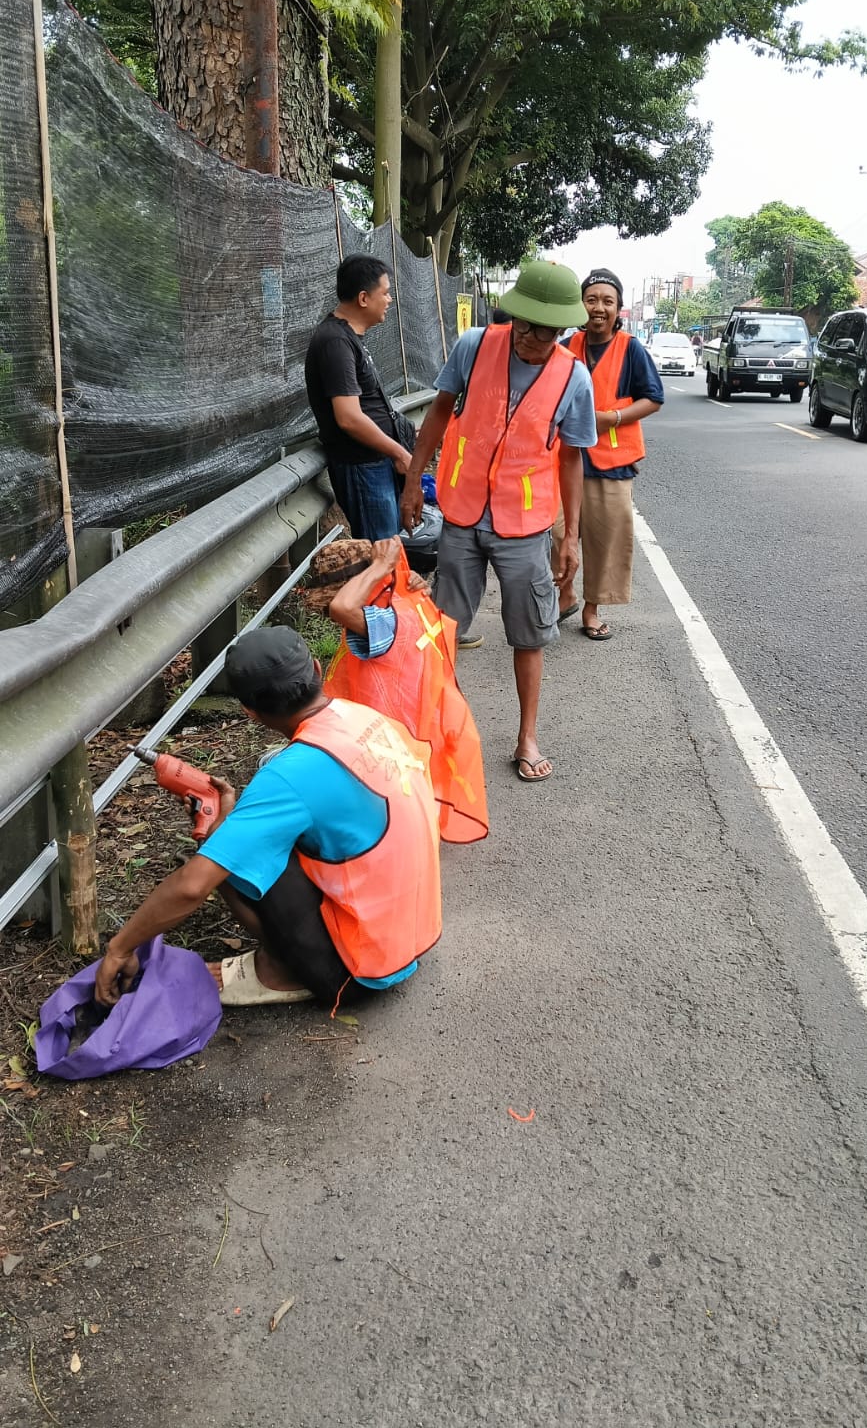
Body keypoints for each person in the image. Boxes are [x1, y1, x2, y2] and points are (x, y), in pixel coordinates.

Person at [94, 626, 441, 1012]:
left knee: (226, 856)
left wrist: (119, 948)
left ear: (249, 711)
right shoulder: (365, 717)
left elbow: (192, 886)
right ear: (315, 667)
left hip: (357, 974)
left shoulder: (288, 775)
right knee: (248, 839)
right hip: (413, 935)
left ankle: (285, 970)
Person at [400, 261, 597, 784]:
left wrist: (569, 537)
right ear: (516, 317)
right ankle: (432, 734)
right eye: (530, 327)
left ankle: (527, 735)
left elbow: (574, 457)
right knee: (442, 630)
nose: (537, 341)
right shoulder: (474, 345)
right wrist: (412, 480)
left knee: (530, 633)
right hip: (461, 512)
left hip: (525, 522)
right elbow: (440, 413)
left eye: (552, 332)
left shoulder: (573, 376)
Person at [307, 535, 488, 844]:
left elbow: (341, 607)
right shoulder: (405, 603)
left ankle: (399, 840)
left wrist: (380, 566)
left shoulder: (380, 621)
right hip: (416, 726)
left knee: (391, 805)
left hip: (389, 739)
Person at [553, 268, 664, 640]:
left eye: (607, 301)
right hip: (563, 457)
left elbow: (653, 399)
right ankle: (565, 593)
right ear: (580, 304)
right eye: (591, 299)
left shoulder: (631, 348)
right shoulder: (566, 347)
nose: (598, 307)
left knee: (604, 539)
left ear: (619, 309)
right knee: (555, 532)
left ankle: (591, 608)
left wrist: (612, 418)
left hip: (611, 463)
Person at [304, 253, 413, 540]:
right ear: (364, 298)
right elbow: (349, 417)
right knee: (381, 556)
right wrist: (399, 452)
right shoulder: (335, 341)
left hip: (375, 465)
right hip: (363, 468)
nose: (389, 300)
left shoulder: (349, 338)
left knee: (388, 553)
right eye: (385, 293)